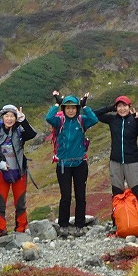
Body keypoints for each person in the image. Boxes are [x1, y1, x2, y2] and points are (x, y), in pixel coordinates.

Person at [94, 94, 138, 230]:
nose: (122, 109)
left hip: (132, 161)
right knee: (117, 193)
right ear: (116, 108)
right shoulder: (112, 119)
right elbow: (95, 114)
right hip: (115, 162)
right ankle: (117, 223)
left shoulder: (134, 120)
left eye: (125, 106)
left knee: (136, 192)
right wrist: (110, 108)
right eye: (119, 106)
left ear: (129, 107)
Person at [46, 91, 99, 238]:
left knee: (80, 195)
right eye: (67, 108)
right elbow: (49, 117)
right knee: (66, 196)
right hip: (63, 165)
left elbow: (94, 119)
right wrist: (57, 104)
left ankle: (79, 225)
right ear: (64, 109)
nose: (70, 110)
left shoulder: (82, 121)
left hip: (80, 164)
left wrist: (85, 106)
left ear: (77, 109)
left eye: (73, 108)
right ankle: (63, 225)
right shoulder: (59, 122)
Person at [0, 104, 37, 236]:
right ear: (2, 117)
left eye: (12, 116)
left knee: (20, 203)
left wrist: (23, 120)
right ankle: (1, 230)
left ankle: (20, 230)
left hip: (19, 172)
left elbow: (32, 134)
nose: (9, 119)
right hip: (2, 173)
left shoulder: (20, 131)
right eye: (7, 116)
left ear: (15, 118)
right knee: (0, 203)